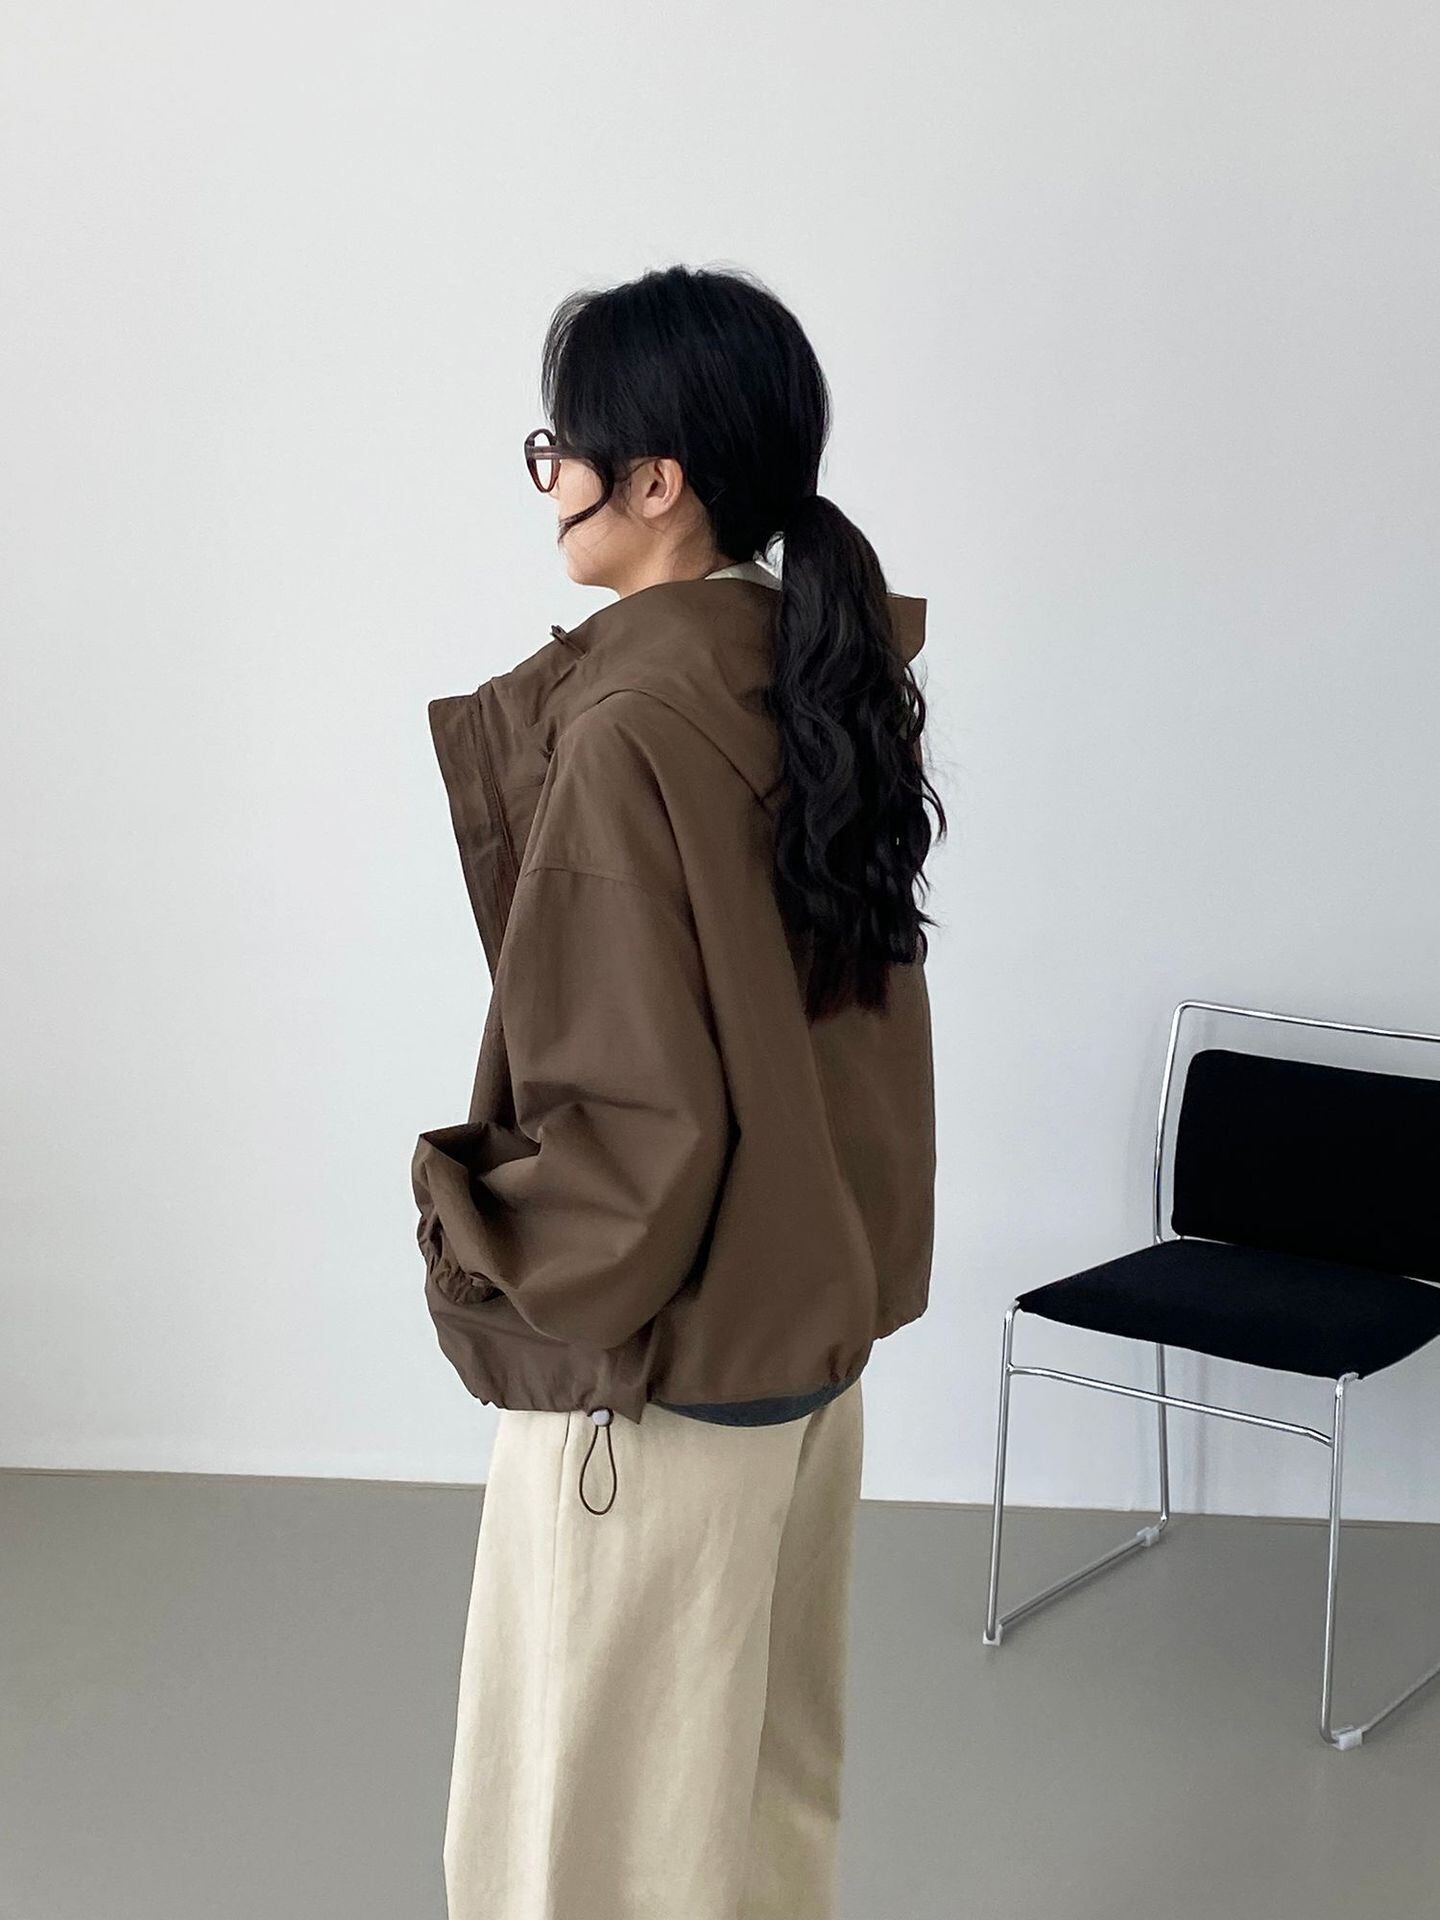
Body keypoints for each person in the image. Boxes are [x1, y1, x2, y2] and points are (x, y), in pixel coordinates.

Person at [410, 262, 946, 1920]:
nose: (548, 480)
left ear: (658, 482)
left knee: (581, 1850)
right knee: (760, 1814)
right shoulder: (814, 668)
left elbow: (633, 1118)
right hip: (808, 1342)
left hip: (666, 1373)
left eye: (560, 447)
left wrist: (470, 1228)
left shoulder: (631, 719)